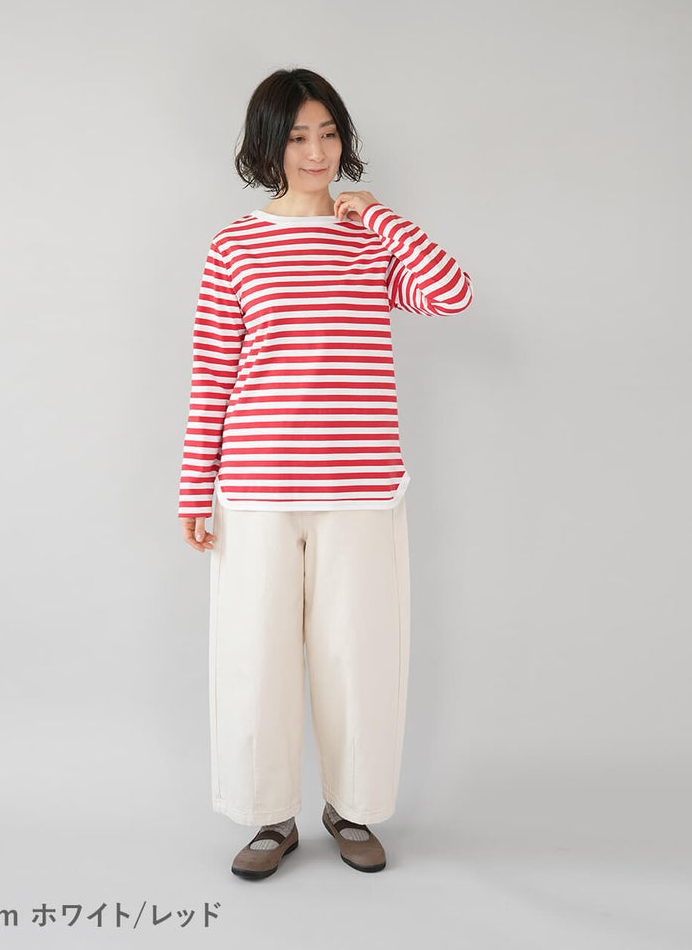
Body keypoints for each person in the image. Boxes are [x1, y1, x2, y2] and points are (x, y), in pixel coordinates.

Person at [177, 67, 473, 879]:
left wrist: (377, 215)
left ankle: (353, 808)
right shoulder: (235, 247)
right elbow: (213, 375)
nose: (317, 152)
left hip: (362, 489)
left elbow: (452, 294)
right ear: (267, 146)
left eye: (329, 134)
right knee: (257, 658)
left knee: (359, 659)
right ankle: (269, 816)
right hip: (257, 489)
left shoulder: (369, 240)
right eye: (298, 136)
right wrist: (195, 487)